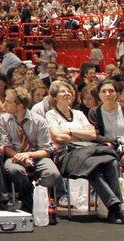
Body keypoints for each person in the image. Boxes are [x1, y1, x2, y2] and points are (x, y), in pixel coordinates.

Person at [45, 80, 124, 224]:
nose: (67, 93)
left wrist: (69, 131)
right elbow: (57, 137)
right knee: (91, 168)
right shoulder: (51, 115)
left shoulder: (79, 113)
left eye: (69, 91)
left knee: (111, 161)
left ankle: (115, 208)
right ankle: (116, 208)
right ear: (54, 96)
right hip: (67, 155)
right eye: (63, 91)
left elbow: (92, 135)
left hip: (88, 150)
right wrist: (80, 133)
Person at [0, 87, 60, 214]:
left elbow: (46, 150)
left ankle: (35, 192)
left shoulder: (39, 121)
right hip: (14, 155)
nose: (4, 104)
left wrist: (27, 154)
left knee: (53, 174)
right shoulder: (4, 119)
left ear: (20, 105)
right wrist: (20, 157)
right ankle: (29, 199)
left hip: (36, 155)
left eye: (8, 102)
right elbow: (6, 146)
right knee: (15, 170)